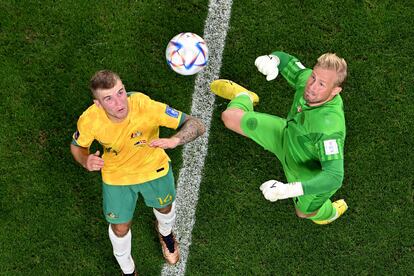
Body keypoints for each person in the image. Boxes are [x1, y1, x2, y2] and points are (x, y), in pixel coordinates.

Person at [70, 70, 205, 275]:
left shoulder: (144, 105)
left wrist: (175, 140)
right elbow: (77, 146)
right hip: (117, 175)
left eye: (121, 92)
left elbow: (197, 124)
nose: (120, 102)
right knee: (120, 228)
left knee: (165, 208)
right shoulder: (90, 119)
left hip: (154, 167)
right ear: (98, 103)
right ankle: (128, 270)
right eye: (108, 98)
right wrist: (85, 160)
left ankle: (166, 234)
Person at [210, 51, 348, 225]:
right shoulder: (307, 80)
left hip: (305, 171)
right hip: (286, 135)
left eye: (321, 84)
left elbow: (334, 176)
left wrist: (288, 190)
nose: (312, 86)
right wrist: (273, 59)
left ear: (335, 90)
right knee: (229, 117)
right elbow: (287, 61)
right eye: (313, 77)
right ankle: (245, 97)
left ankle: (331, 213)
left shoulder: (328, 126)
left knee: (304, 213)